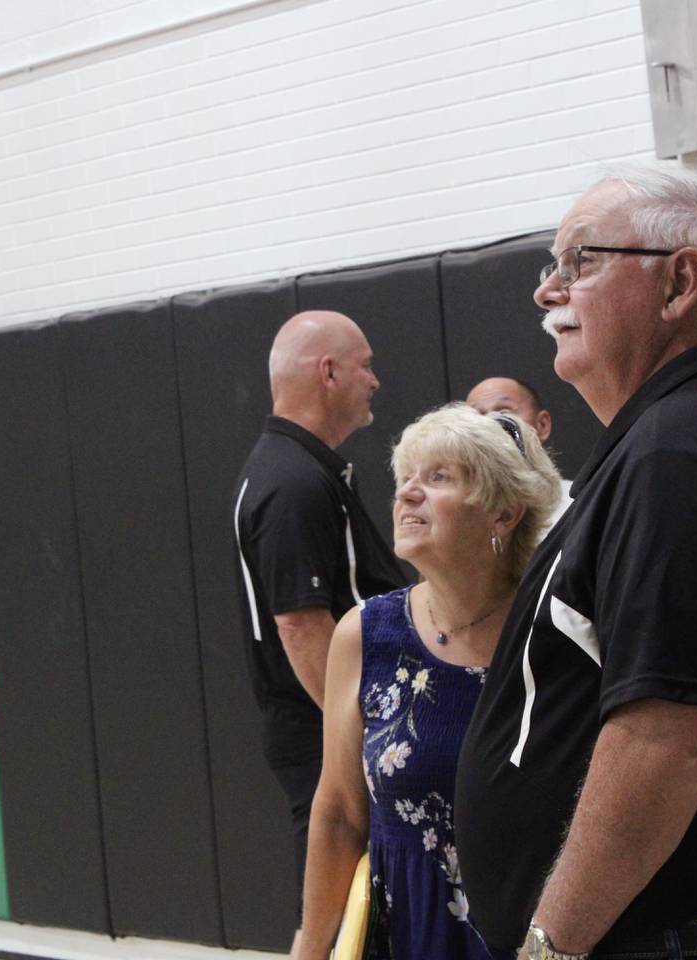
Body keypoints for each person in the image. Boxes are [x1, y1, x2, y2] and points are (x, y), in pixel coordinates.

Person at [454, 164, 697, 960]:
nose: (548, 292)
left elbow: (667, 737)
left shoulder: (679, 451)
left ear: (678, 283)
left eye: (581, 262)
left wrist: (549, 948)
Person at [296, 403, 562, 960]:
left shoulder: (555, 632)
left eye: (438, 478)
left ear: (504, 513)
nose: (408, 494)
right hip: (409, 935)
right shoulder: (365, 634)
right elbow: (341, 813)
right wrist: (311, 950)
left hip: (535, 938)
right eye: (407, 478)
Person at [233, 310, 408, 953]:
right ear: (328, 373)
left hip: (330, 733)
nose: (375, 380)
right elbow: (302, 627)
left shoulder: (303, 469)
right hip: (326, 740)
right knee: (339, 921)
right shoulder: (293, 483)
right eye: (364, 364)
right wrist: (360, 739)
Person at [465, 377, 573, 534]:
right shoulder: (453, 513)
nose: (490, 422)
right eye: (477, 415)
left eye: (504, 411)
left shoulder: (580, 503)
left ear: (542, 425)